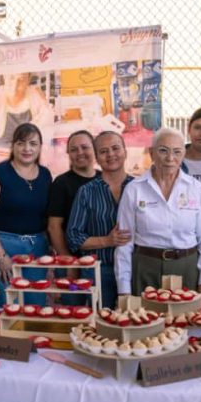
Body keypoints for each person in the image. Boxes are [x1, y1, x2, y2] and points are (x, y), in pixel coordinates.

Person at [115, 128, 201, 298]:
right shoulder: (134, 189)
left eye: (177, 152)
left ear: (183, 154)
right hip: (146, 268)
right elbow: (124, 242)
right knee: (146, 321)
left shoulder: (195, 188)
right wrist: (123, 290)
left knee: (187, 322)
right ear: (152, 153)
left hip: (187, 268)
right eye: (163, 151)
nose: (170, 158)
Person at [0, 123, 52, 306]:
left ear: (40, 147)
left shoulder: (45, 175)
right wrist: (0, 256)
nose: (27, 148)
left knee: (36, 303)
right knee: (6, 304)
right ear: (13, 146)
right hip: (4, 246)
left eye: (33, 143)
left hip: (37, 247)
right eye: (21, 143)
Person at [66, 132, 134, 309]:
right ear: (96, 158)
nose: (111, 154)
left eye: (115, 148)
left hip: (134, 269)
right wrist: (107, 240)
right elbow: (73, 237)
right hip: (99, 271)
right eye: (103, 151)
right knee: (102, 326)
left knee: (135, 322)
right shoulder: (86, 192)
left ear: (125, 152)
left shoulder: (139, 187)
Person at [47, 130, 99, 257]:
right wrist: (68, 260)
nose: (80, 153)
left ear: (95, 149)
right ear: (68, 153)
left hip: (104, 257)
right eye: (74, 149)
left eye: (85, 147)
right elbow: (54, 227)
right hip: (74, 258)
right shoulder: (61, 183)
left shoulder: (104, 179)